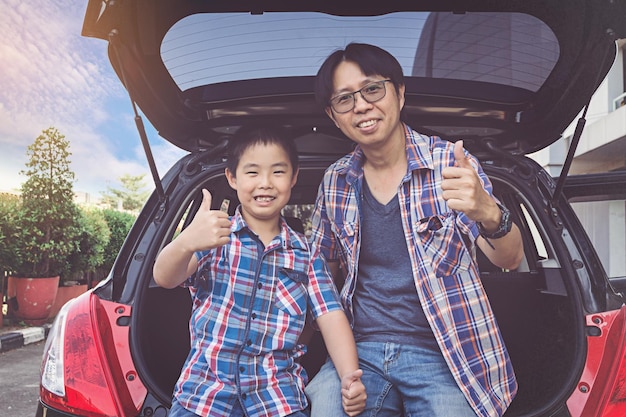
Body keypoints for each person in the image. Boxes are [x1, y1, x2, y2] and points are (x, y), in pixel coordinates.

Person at [304, 43, 524, 417]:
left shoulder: (450, 164)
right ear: (333, 115)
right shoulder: (336, 181)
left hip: (446, 353)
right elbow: (318, 275)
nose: (361, 106)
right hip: (360, 354)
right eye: (345, 99)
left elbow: (510, 257)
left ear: (400, 93)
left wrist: (488, 210)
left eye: (373, 89)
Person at [153, 125, 366, 417]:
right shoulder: (213, 237)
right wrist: (186, 242)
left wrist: (349, 376)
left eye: (277, 172)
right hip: (204, 395)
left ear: (293, 178)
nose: (265, 183)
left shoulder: (307, 254)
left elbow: (331, 317)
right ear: (232, 177)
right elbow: (164, 277)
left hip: (277, 398)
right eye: (252, 172)